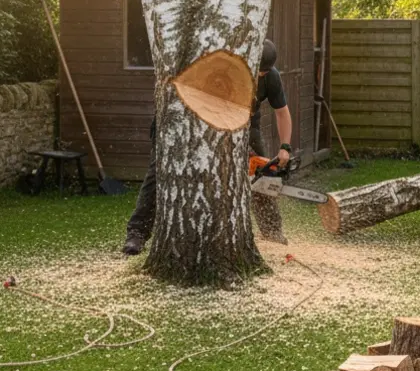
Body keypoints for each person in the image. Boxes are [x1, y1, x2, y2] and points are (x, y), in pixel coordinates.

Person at [121, 39, 294, 255]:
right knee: (159, 171)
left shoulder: (271, 77)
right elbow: (207, 112)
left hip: (246, 122)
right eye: (258, 71)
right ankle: (137, 233)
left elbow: (282, 112)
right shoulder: (218, 69)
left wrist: (285, 146)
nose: (260, 76)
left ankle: (272, 232)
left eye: (264, 72)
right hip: (182, 117)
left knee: (262, 171)